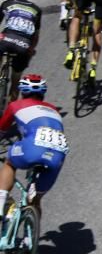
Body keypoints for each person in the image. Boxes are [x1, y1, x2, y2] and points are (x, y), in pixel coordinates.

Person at [0, 75, 67, 223]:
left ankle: (0, 202)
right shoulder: (54, 110)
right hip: (58, 155)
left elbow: (2, 130)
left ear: (23, 92)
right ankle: (30, 239)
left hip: (33, 148)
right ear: (43, 93)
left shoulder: (15, 105)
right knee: (35, 200)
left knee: (9, 162)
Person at [0, 0, 41, 98]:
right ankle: (11, 109)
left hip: (5, 39)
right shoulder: (36, 10)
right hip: (23, 45)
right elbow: (36, 35)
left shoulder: (7, 4)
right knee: (16, 79)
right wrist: (31, 50)